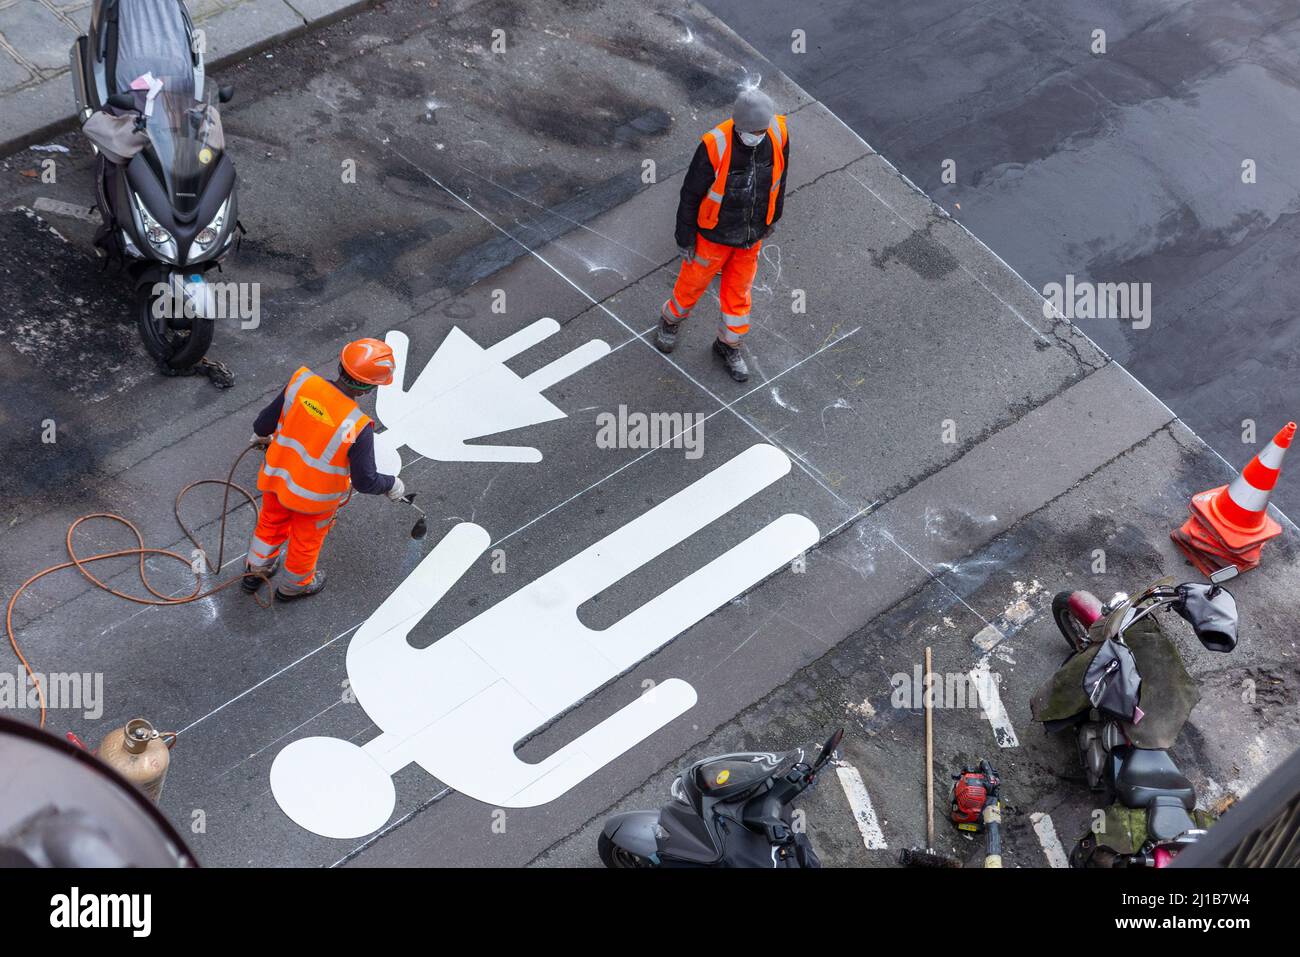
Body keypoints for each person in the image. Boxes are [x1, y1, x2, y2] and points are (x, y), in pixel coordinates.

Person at [242, 338, 406, 601]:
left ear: (340, 364)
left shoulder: (301, 384)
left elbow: (263, 424)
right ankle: (294, 587)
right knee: (305, 543)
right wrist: (392, 485)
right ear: (368, 389)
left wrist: (261, 437)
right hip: (314, 502)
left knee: (270, 525)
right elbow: (365, 481)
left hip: (277, 479)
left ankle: (256, 571)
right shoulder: (358, 426)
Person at [658, 87, 790, 382]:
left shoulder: (778, 132)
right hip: (713, 237)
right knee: (691, 284)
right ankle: (670, 321)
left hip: (749, 237)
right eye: (754, 130)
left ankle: (729, 345)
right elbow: (690, 194)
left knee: (739, 294)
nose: (760, 134)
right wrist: (685, 238)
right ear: (740, 126)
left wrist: (773, 217)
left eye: (763, 129)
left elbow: (780, 179)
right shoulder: (715, 145)